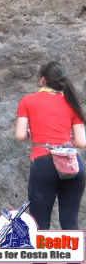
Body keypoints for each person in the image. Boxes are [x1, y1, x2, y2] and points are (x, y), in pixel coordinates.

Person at [16, 61, 86, 231]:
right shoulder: (72, 103)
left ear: (42, 80)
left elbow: (20, 135)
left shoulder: (27, 101)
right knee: (70, 223)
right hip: (72, 164)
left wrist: (32, 134)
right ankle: (75, 258)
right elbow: (81, 143)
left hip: (43, 164)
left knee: (39, 225)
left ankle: (41, 258)